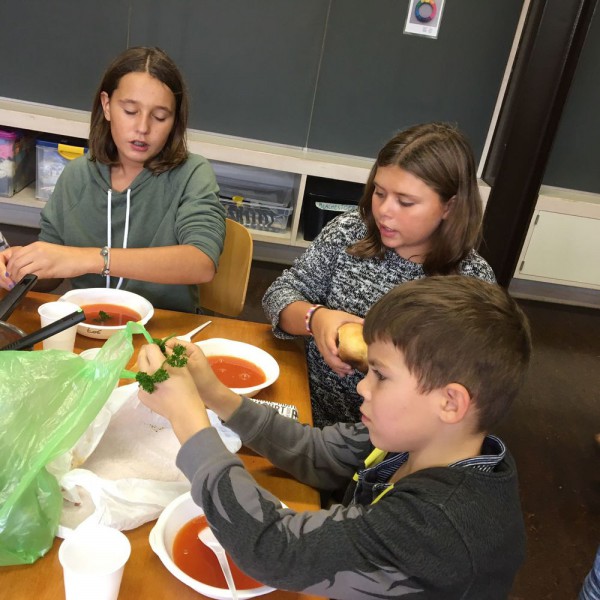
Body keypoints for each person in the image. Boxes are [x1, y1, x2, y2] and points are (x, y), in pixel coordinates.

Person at [137, 275, 532, 599]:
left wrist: (188, 419)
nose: (363, 386)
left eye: (381, 375)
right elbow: (317, 452)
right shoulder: (419, 440)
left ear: (450, 402)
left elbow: (274, 549)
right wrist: (213, 393)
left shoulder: (438, 526)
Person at [263, 122, 495, 427]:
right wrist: (315, 319)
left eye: (405, 202)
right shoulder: (349, 232)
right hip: (307, 412)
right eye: (379, 192)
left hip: (394, 439)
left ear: (449, 207)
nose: (384, 210)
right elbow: (280, 294)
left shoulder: (472, 283)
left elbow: (466, 388)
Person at [0, 47, 226, 313]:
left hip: (166, 328)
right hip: (87, 325)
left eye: (160, 117)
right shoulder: (77, 175)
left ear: (174, 120)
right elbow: (52, 274)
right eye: (130, 111)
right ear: (106, 106)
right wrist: (20, 267)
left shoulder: (192, 173)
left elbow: (201, 263)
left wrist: (90, 259)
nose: (143, 128)